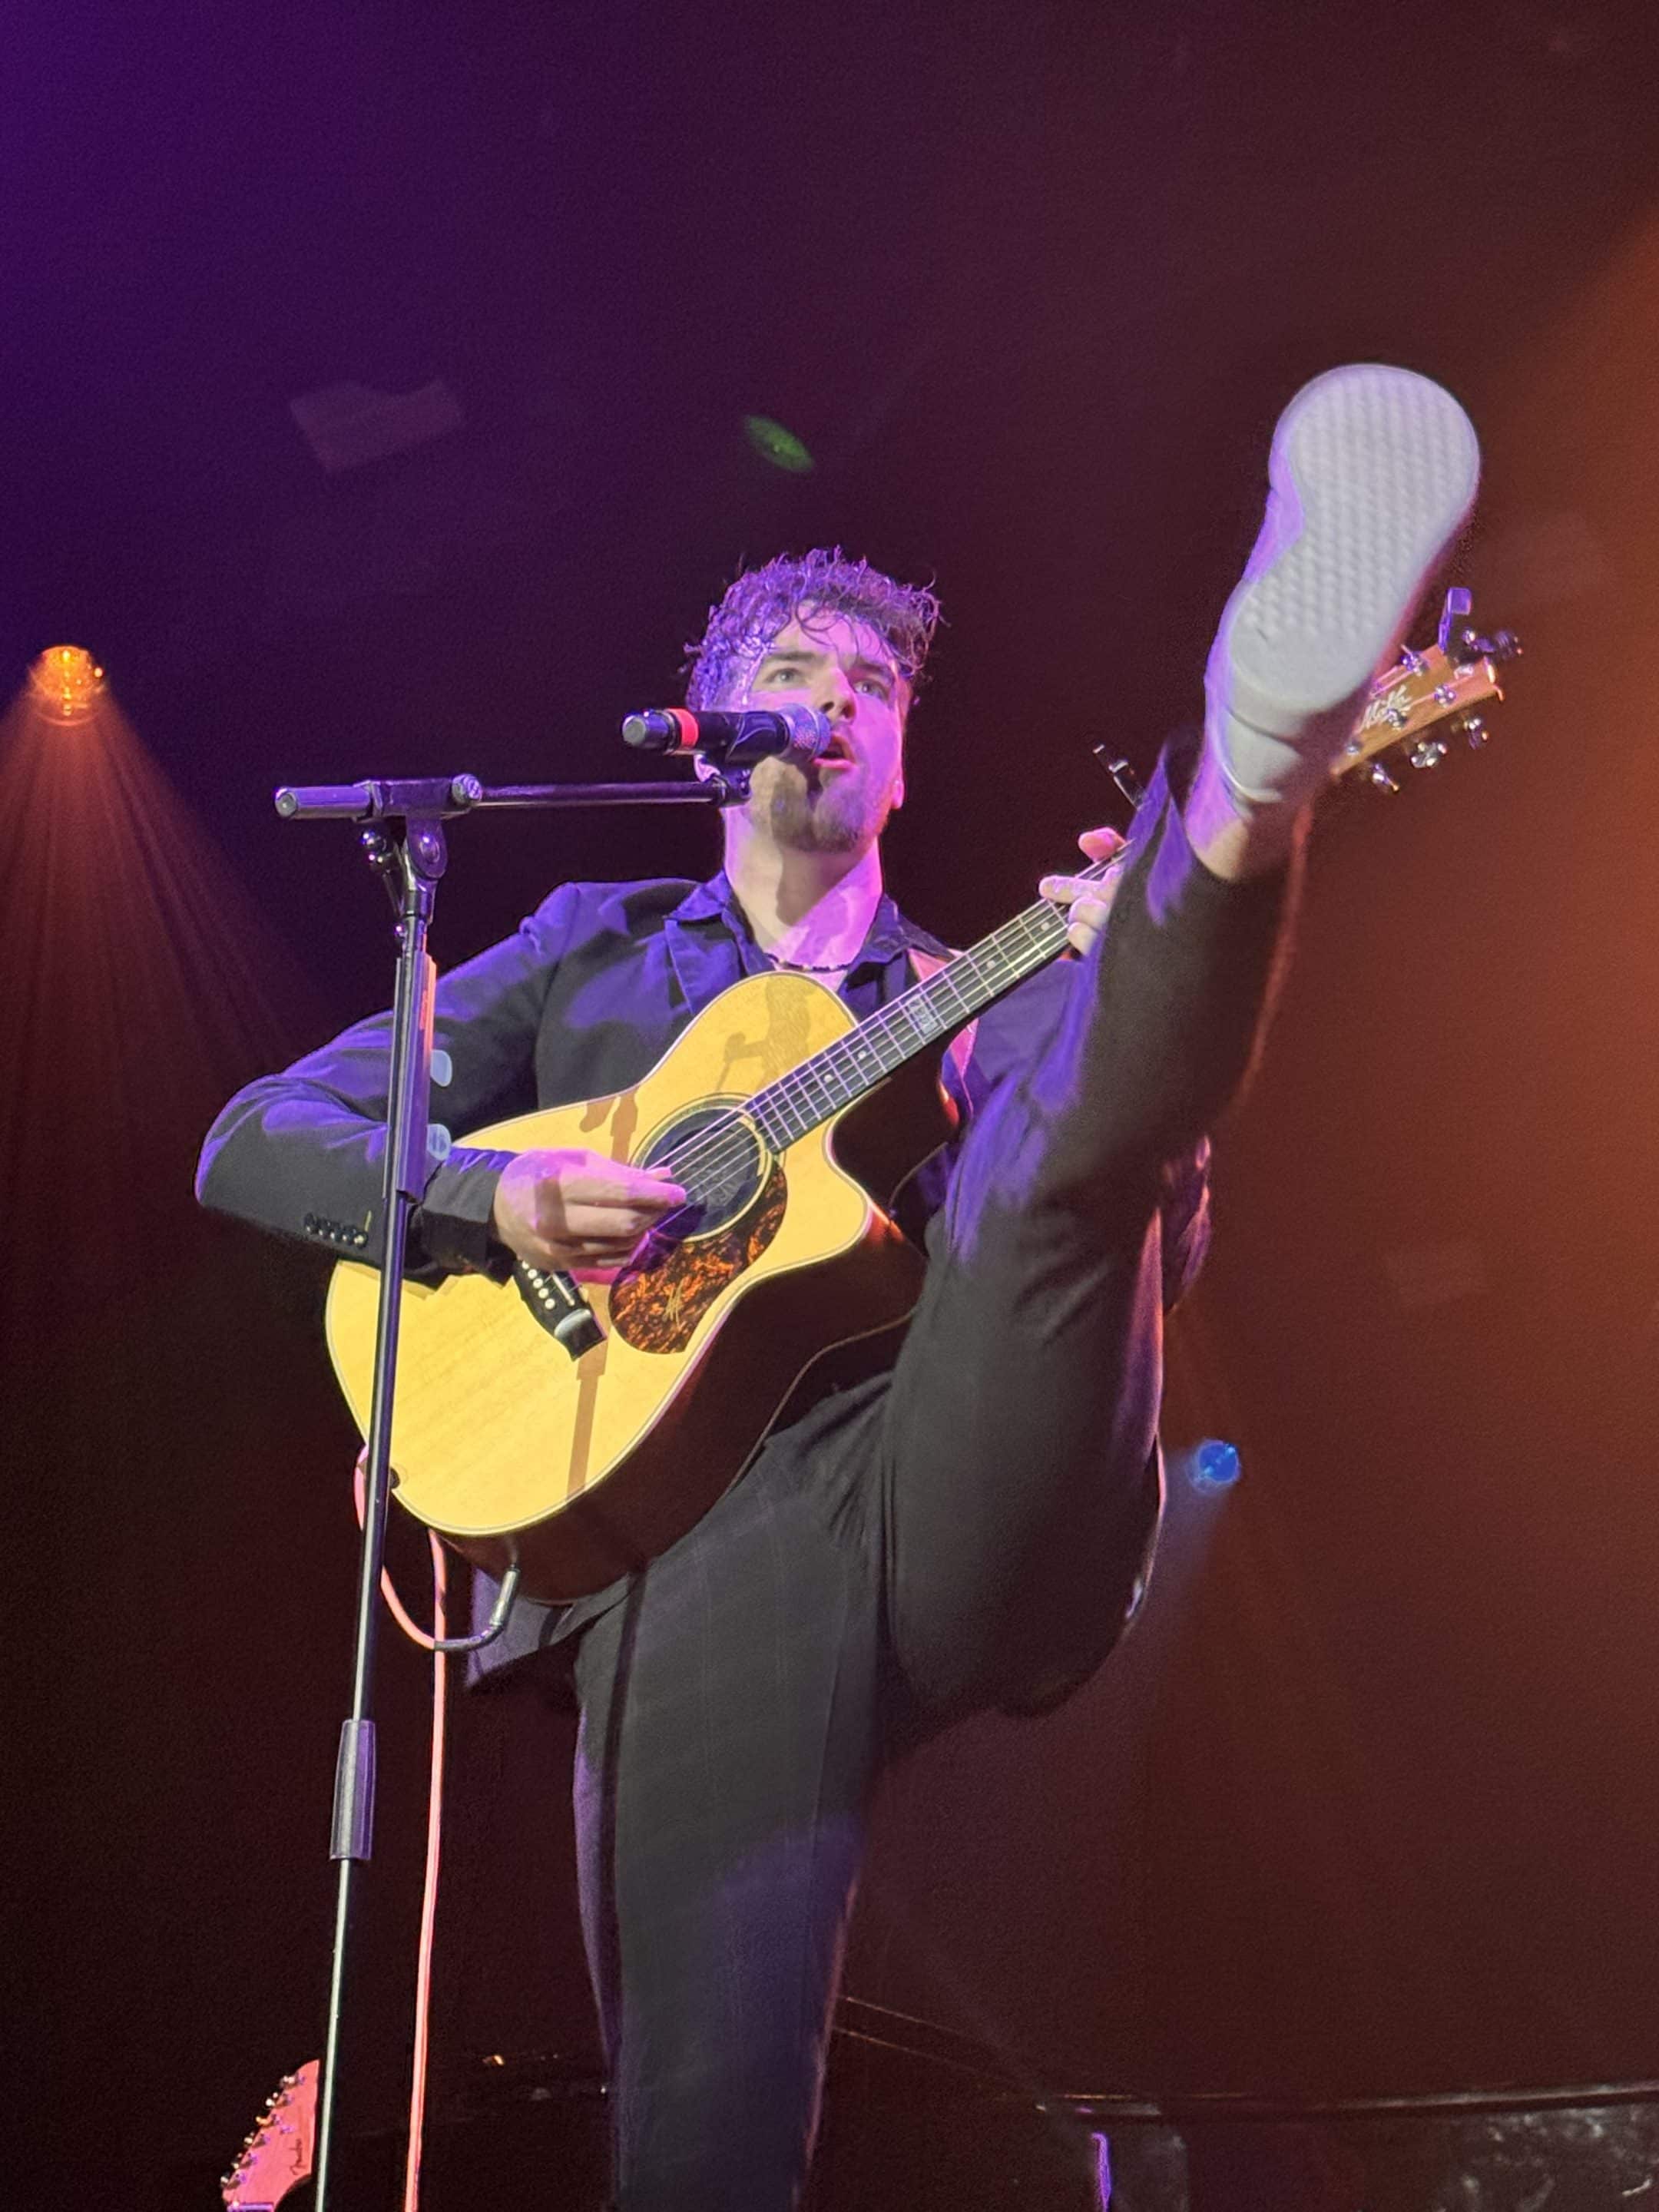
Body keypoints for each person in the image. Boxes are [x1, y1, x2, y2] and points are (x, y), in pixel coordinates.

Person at [198, 363, 1480, 2210]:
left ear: (904, 755)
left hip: (945, 1452)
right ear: (716, 733)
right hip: (692, 1530)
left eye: (875, 687)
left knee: (1061, 1142)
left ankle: (1241, 793)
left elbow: (1137, 1252)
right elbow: (256, 1137)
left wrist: (1106, 998)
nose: (840, 703)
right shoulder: (590, 951)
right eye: (798, 673)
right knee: (706, 2127)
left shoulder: (961, 980)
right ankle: (1217, 839)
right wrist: (499, 1195)